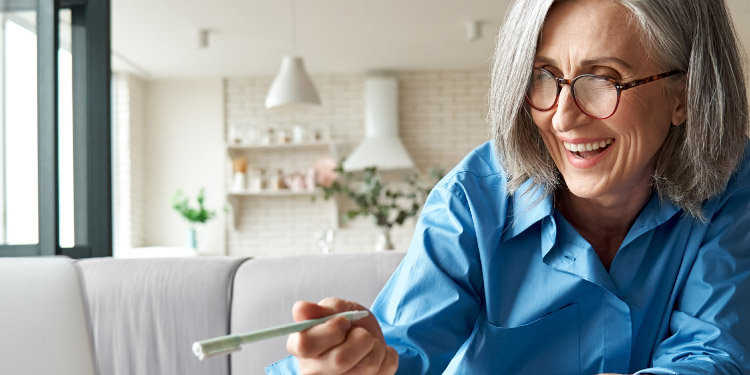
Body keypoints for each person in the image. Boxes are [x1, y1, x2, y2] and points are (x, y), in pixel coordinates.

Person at [266, 0, 750, 374]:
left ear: (683, 96)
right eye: (544, 77)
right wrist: (352, 360)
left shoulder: (732, 185)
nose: (562, 116)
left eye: (604, 80)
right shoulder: (472, 199)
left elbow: (712, 353)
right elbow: (399, 348)